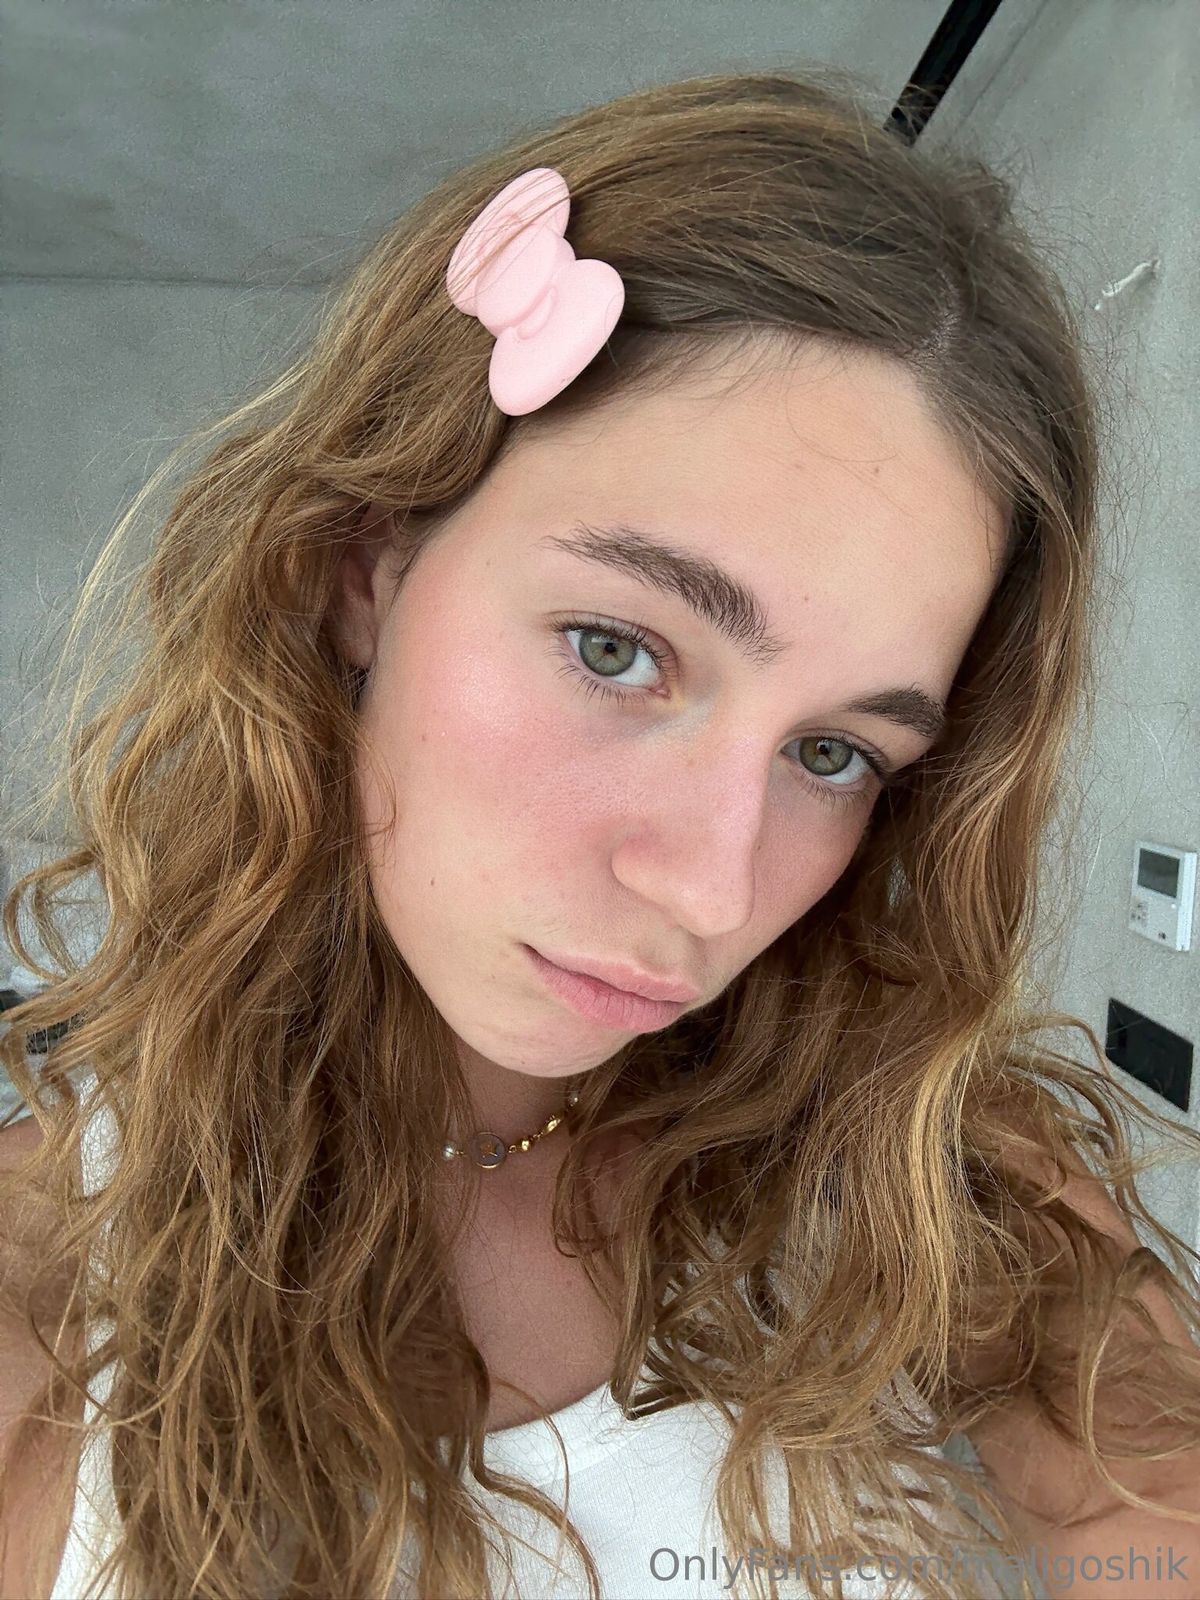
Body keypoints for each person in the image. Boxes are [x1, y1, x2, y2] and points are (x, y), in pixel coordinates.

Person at [1, 65, 1199, 1600]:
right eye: (617, 650)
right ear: (364, 569)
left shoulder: (926, 1172)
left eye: (833, 753)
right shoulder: (54, 1274)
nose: (706, 886)